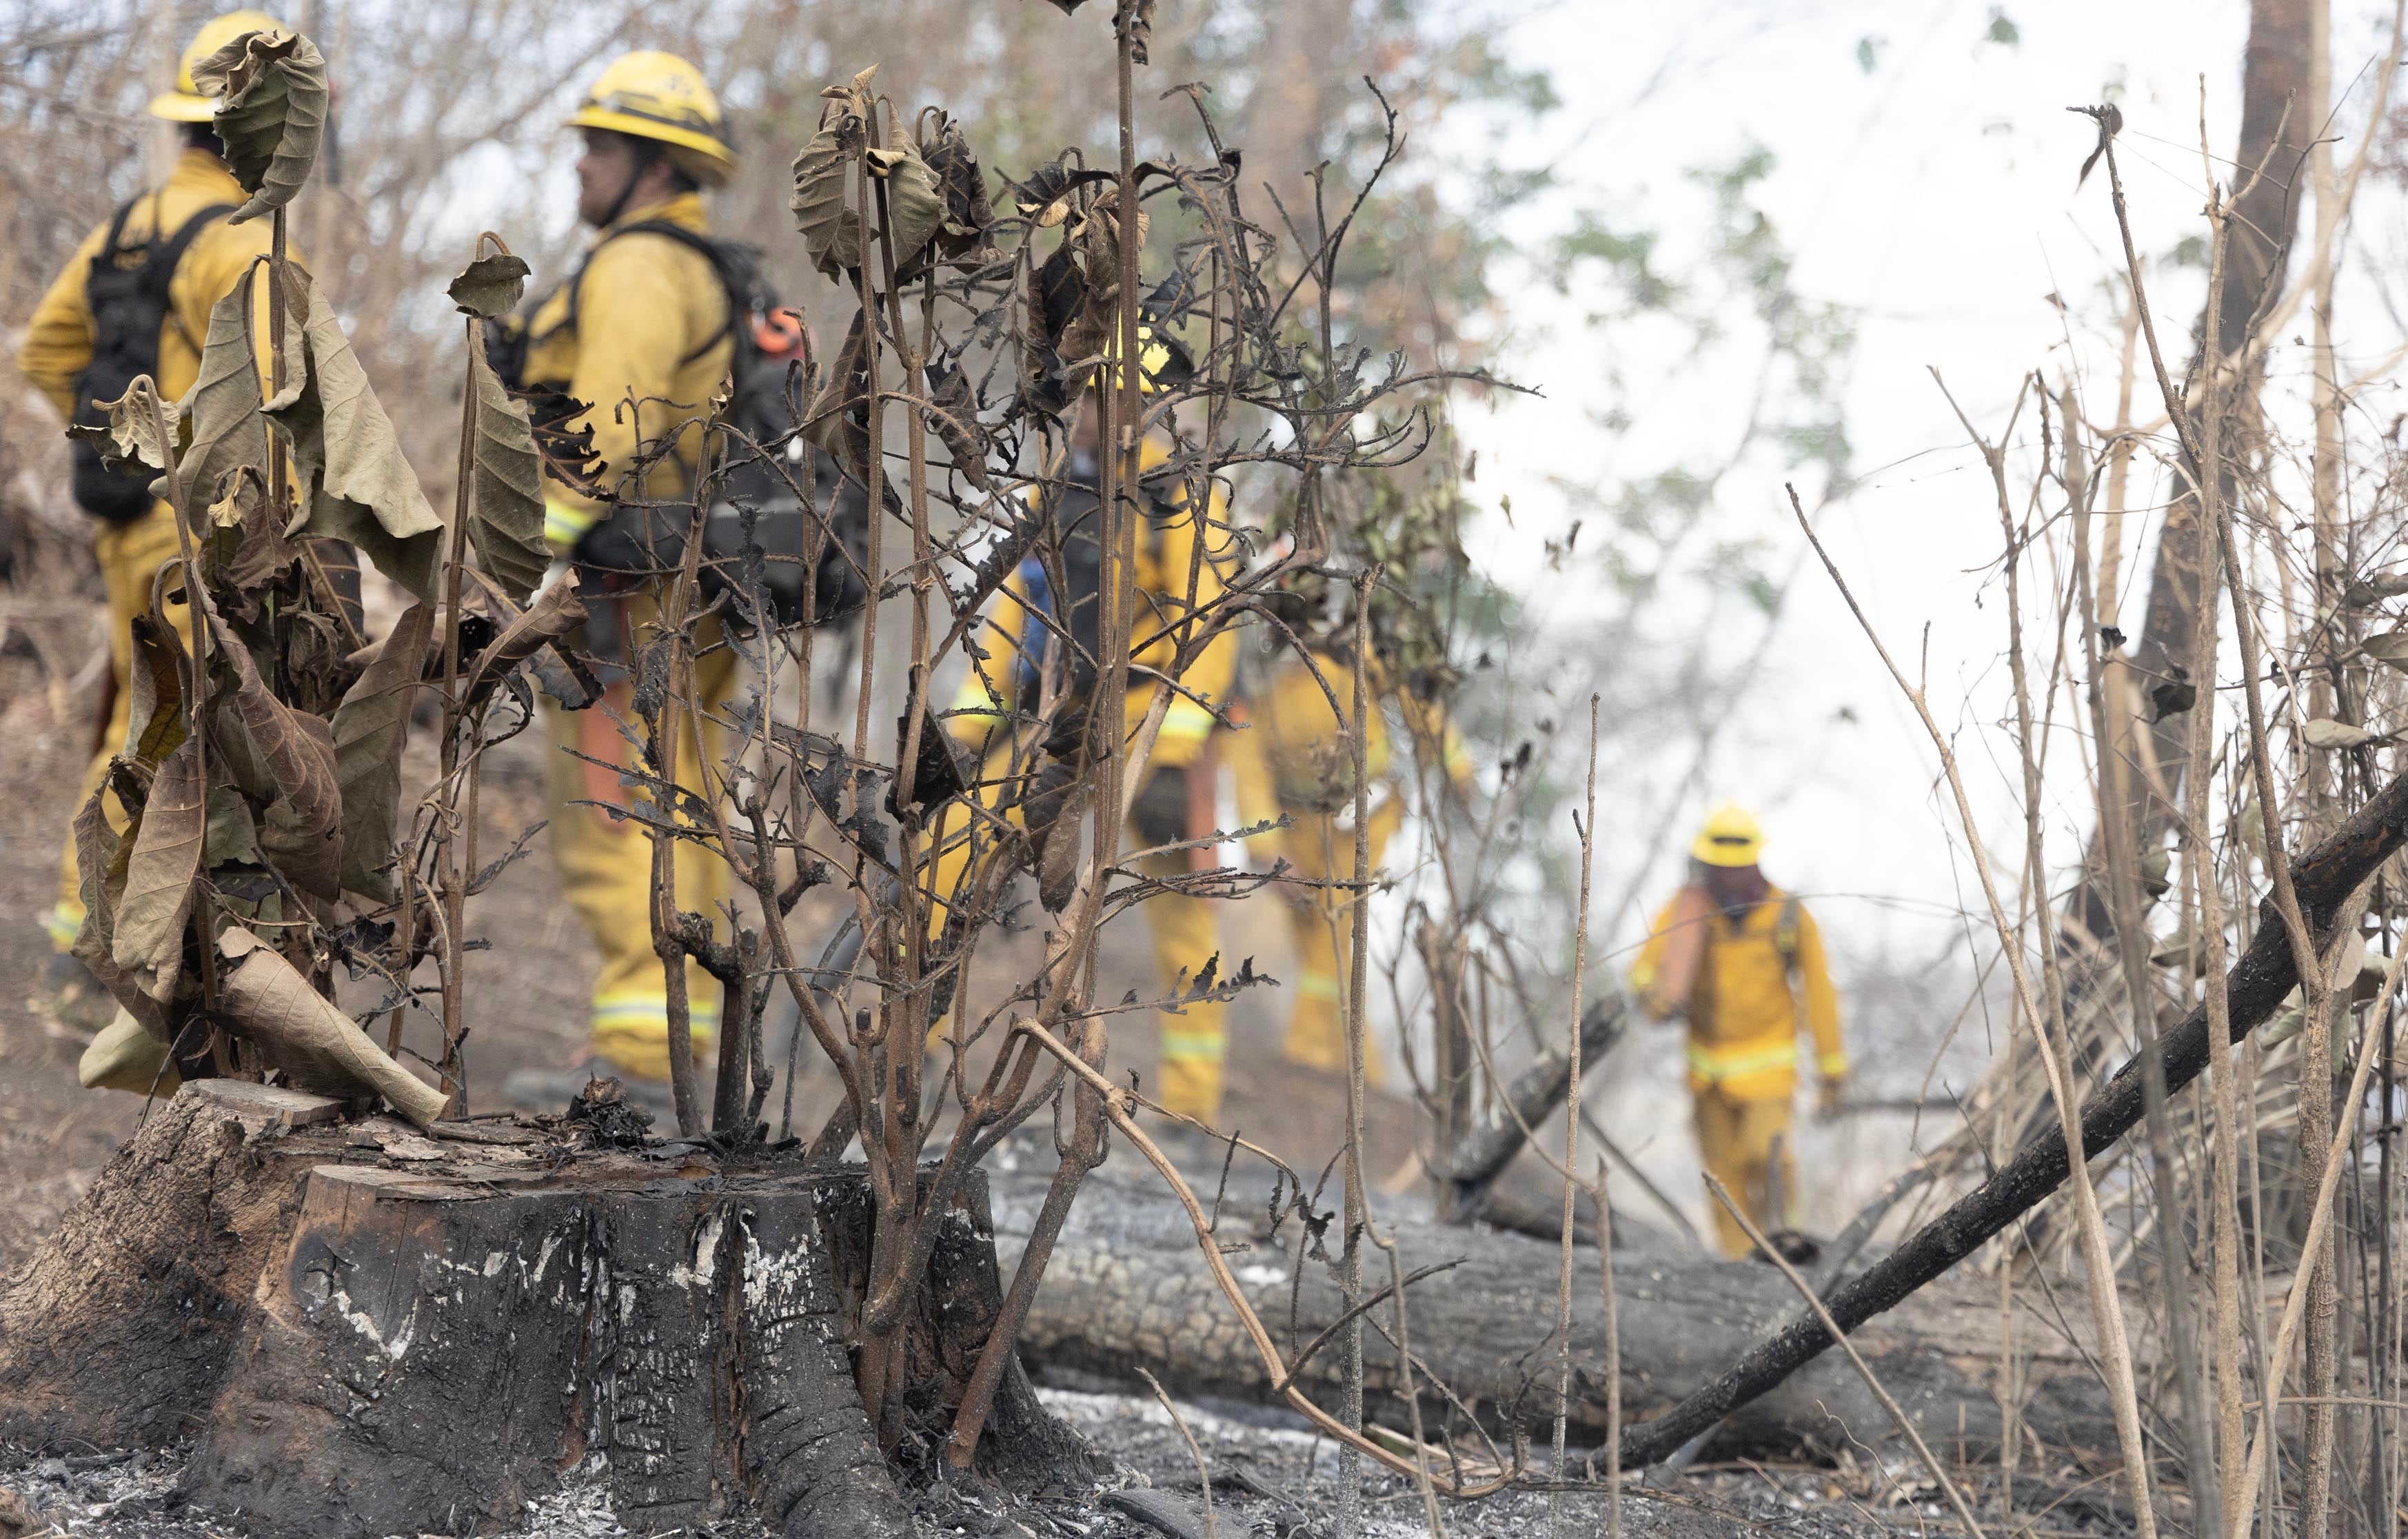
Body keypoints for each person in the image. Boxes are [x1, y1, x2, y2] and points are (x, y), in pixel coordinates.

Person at [20, 10, 296, 1038]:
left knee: (142, 724)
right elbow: (276, 406)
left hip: (125, 522)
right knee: (158, 735)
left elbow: (48, 353)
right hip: (195, 536)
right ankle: (88, 954)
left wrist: (111, 445)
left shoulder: (126, 225)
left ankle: (109, 940)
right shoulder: (239, 241)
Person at [495, 51, 743, 1103]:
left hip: (628, 600)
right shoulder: (692, 263)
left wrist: (523, 556)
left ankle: (644, 1067)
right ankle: (683, 1055)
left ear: (650, 162)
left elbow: (607, 427)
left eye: (597, 145)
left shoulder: (640, 268)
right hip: (685, 589)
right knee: (680, 800)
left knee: (617, 808)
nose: (580, 165)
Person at [943, 385, 1240, 1124]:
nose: (1081, 414)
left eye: (1100, 400)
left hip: (1148, 714)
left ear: (1141, 407)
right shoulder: (1060, 488)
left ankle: (1192, 1110)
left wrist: (1172, 750)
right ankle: (907, 1051)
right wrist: (966, 732)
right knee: (954, 854)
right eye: (1077, 396)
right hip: (1059, 714)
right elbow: (1017, 618)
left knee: (1181, 913)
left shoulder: (1178, 493)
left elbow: (1208, 617)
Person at [1231, 609, 1473, 1084]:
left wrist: (1457, 767)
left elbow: (1416, 703)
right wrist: (1268, 853)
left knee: (1335, 929)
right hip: (1295, 826)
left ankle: (1307, 1059)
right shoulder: (1254, 682)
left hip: (1364, 816)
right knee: (1315, 939)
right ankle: (1369, 1076)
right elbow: (1245, 766)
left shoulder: (1349, 653)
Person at [1629, 803, 1845, 1260]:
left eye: (1735, 867)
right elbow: (1646, 967)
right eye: (1717, 867)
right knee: (1721, 1175)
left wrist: (1832, 1070)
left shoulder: (1788, 916)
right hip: (1706, 1073)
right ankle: (1737, 1266)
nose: (1725, 876)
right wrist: (1653, 994)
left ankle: (1785, 1246)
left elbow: (1819, 992)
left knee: (1766, 1157)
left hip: (1767, 1070)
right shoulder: (1687, 908)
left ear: (1755, 862)